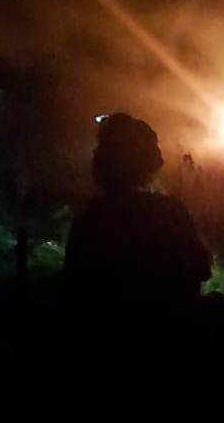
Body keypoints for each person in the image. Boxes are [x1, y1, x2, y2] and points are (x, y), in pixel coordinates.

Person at [65, 113, 210, 306]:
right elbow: (201, 269)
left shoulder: (90, 220)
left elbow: (75, 287)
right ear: (149, 163)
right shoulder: (169, 213)